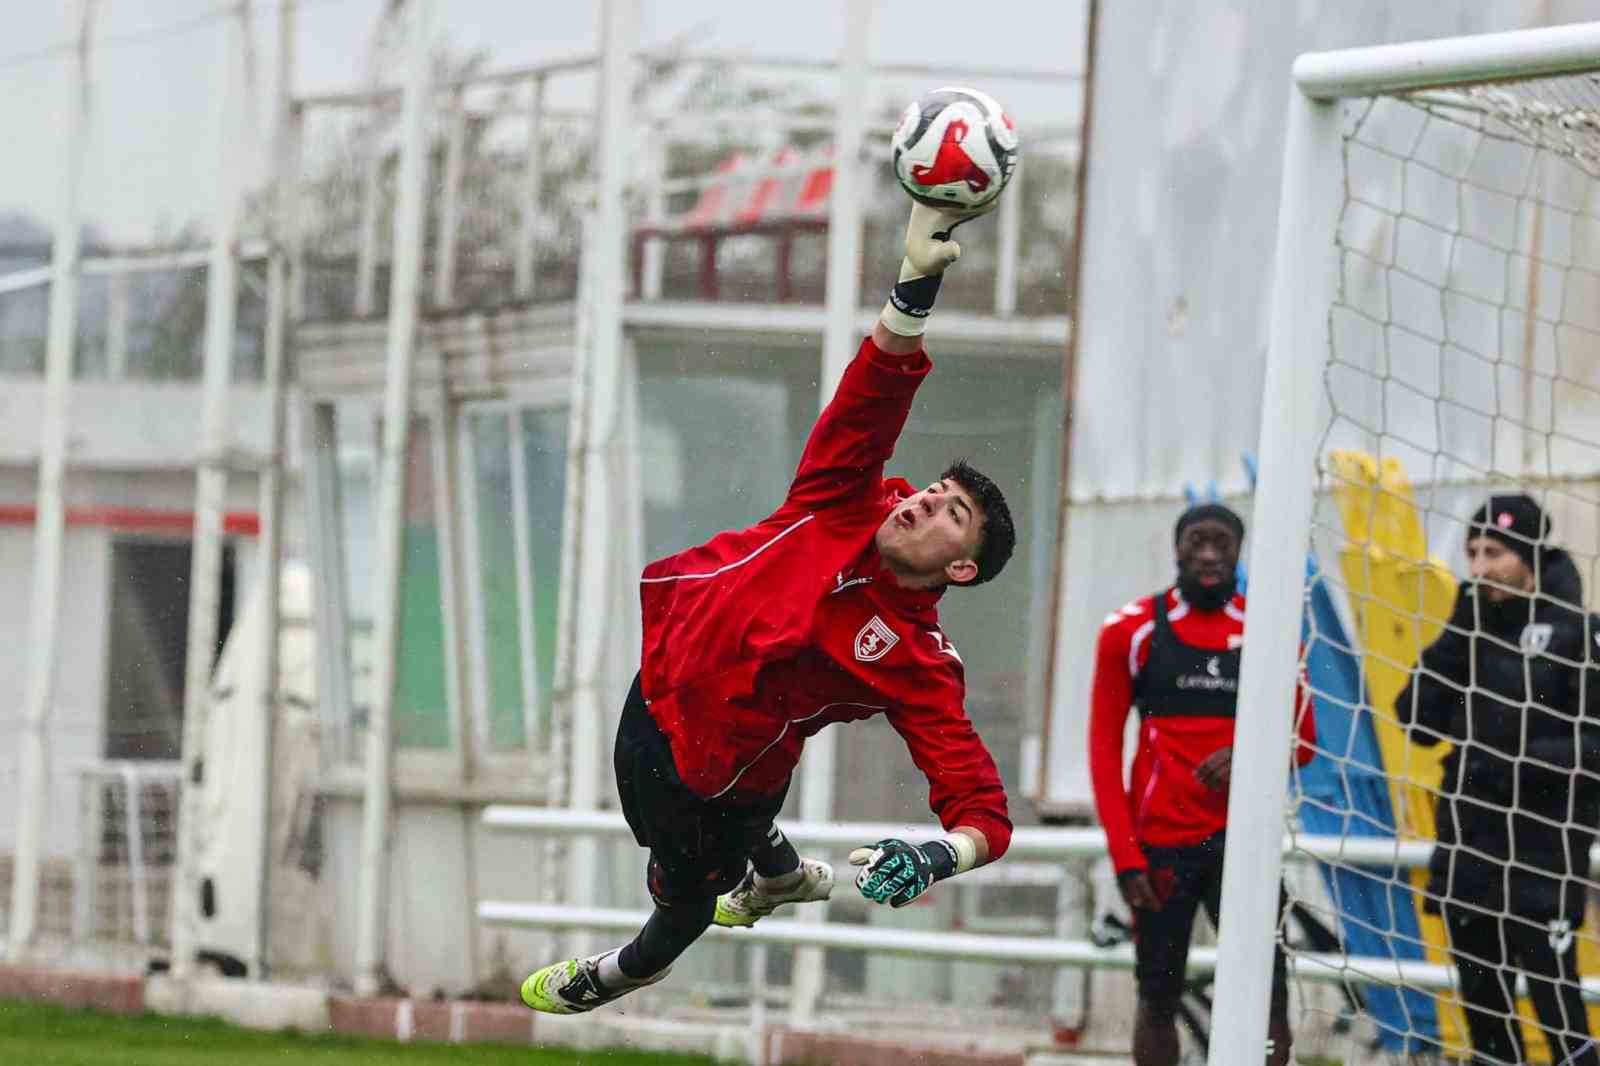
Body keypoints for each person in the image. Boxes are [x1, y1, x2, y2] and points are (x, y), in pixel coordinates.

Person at [519, 196, 1018, 1015]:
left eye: (949, 513)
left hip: (715, 778)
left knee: (681, 908)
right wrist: (914, 282)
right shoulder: (841, 500)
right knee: (700, 840)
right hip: (655, 691)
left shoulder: (918, 660)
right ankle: (781, 874)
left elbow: (984, 810)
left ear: (960, 570)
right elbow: (874, 395)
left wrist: (935, 857)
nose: (925, 503)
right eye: (933, 489)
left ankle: (618, 975)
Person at [1088, 503, 1316, 1066]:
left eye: (1222, 543)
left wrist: (1249, 757)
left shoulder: (1270, 627)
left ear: (1240, 552)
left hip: (1246, 847)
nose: (1209, 554)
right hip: (1162, 844)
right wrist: (1124, 856)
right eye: (1197, 542)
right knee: (1157, 998)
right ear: (1177, 549)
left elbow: (1305, 741)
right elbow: (1101, 748)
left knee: (1271, 996)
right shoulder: (1130, 631)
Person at [1396, 494, 1600, 1066]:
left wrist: (1514, 762)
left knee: (1560, 1016)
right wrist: (1458, 630)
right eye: (1472, 553)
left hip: (1541, 852)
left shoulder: (1580, 634)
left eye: (1495, 553)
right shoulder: (1469, 628)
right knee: (1484, 1017)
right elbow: (1414, 720)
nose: (1480, 568)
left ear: (1529, 554)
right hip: (1469, 847)